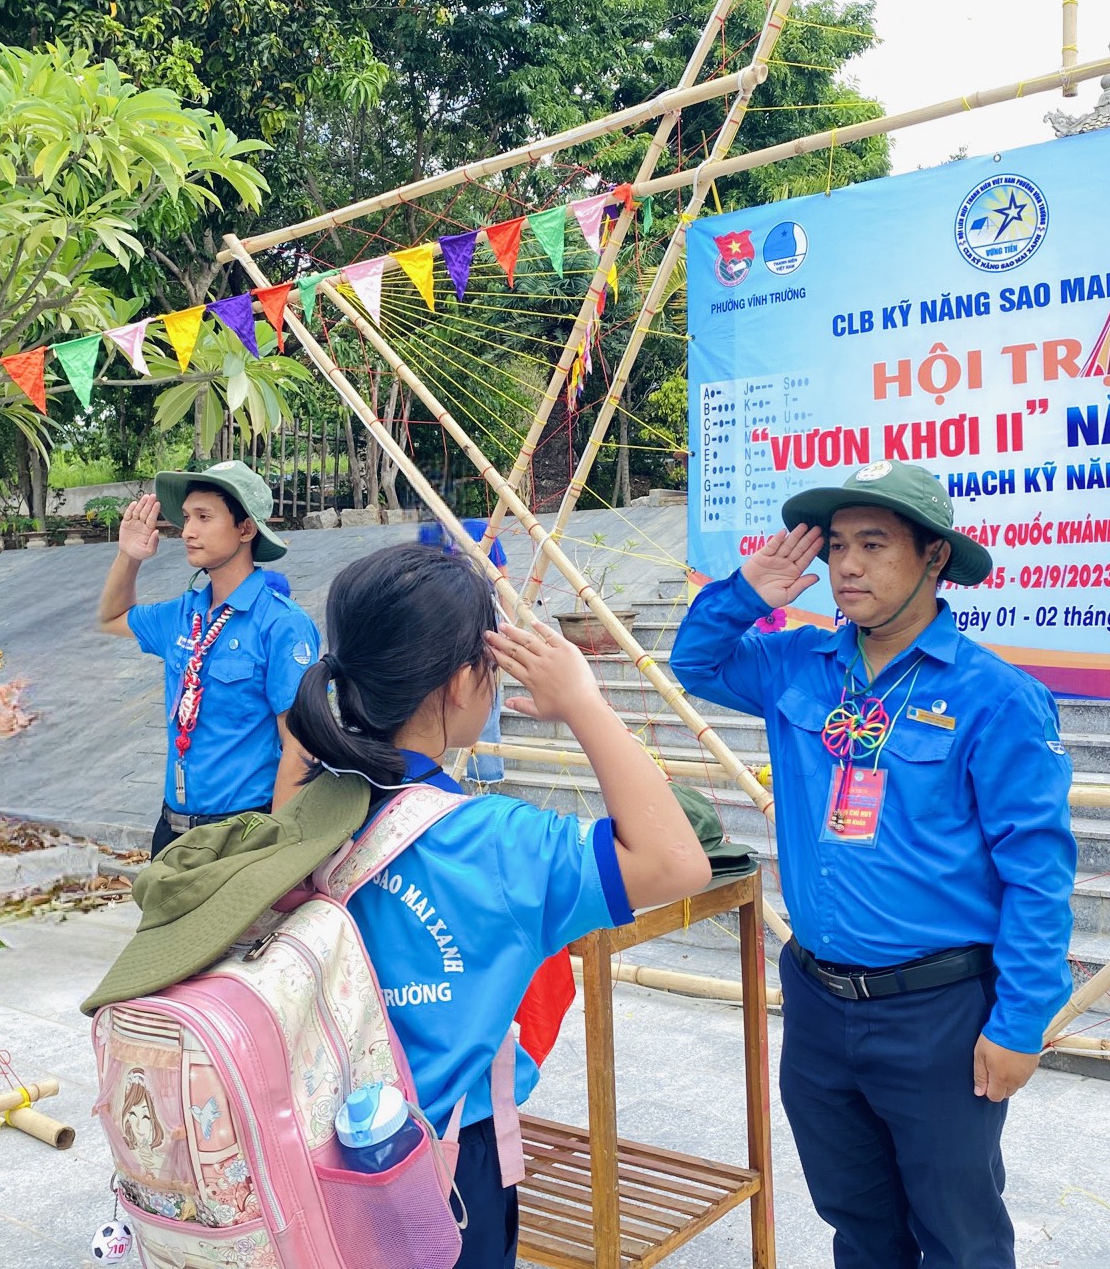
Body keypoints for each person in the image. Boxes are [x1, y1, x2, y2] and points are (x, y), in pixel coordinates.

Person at [670, 460, 1075, 1269]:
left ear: (933, 558)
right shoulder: (801, 666)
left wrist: (1020, 1022)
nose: (846, 567)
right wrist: (747, 592)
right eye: (838, 547)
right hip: (820, 1005)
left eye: (874, 544)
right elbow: (698, 663)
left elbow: (1038, 874)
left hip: (938, 1012)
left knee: (958, 1234)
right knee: (857, 1224)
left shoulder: (996, 697)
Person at [286, 543, 711, 1269]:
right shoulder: (495, 844)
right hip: (445, 1167)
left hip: (313, 1150)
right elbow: (678, 862)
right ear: (462, 684)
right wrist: (581, 698)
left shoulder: (307, 802)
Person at [96, 460, 319, 855]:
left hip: (241, 834)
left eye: (204, 517)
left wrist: (275, 849)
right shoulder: (185, 614)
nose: (188, 531)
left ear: (245, 529)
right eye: (186, 518)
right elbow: (112, 618)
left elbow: (299, 747)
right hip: (172, 831)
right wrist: (128, 557)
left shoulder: (282, 624)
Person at [417, 515, 508, 785]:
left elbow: (501, 580)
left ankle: (486, 776)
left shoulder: (480, 530)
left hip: (481, 609)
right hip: (444, 613)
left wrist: (507, 625)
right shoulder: (430, 532)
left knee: (483, 688)